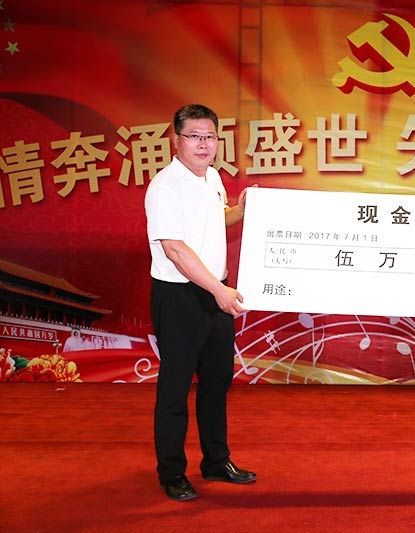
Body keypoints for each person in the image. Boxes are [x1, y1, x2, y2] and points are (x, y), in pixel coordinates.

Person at [145, 103, 256, 502]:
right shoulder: (165, 187)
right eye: (194, 136)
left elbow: (215, 218)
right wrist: (218, 290)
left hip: (215, 293)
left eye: (210, 136)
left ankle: (216, 461)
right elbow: (175, 249)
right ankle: (172, 472)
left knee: (217, 381)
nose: (203, 144)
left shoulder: (212, 176)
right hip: (180, 296)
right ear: (176, 140)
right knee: (175, 387)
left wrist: (241, 210)